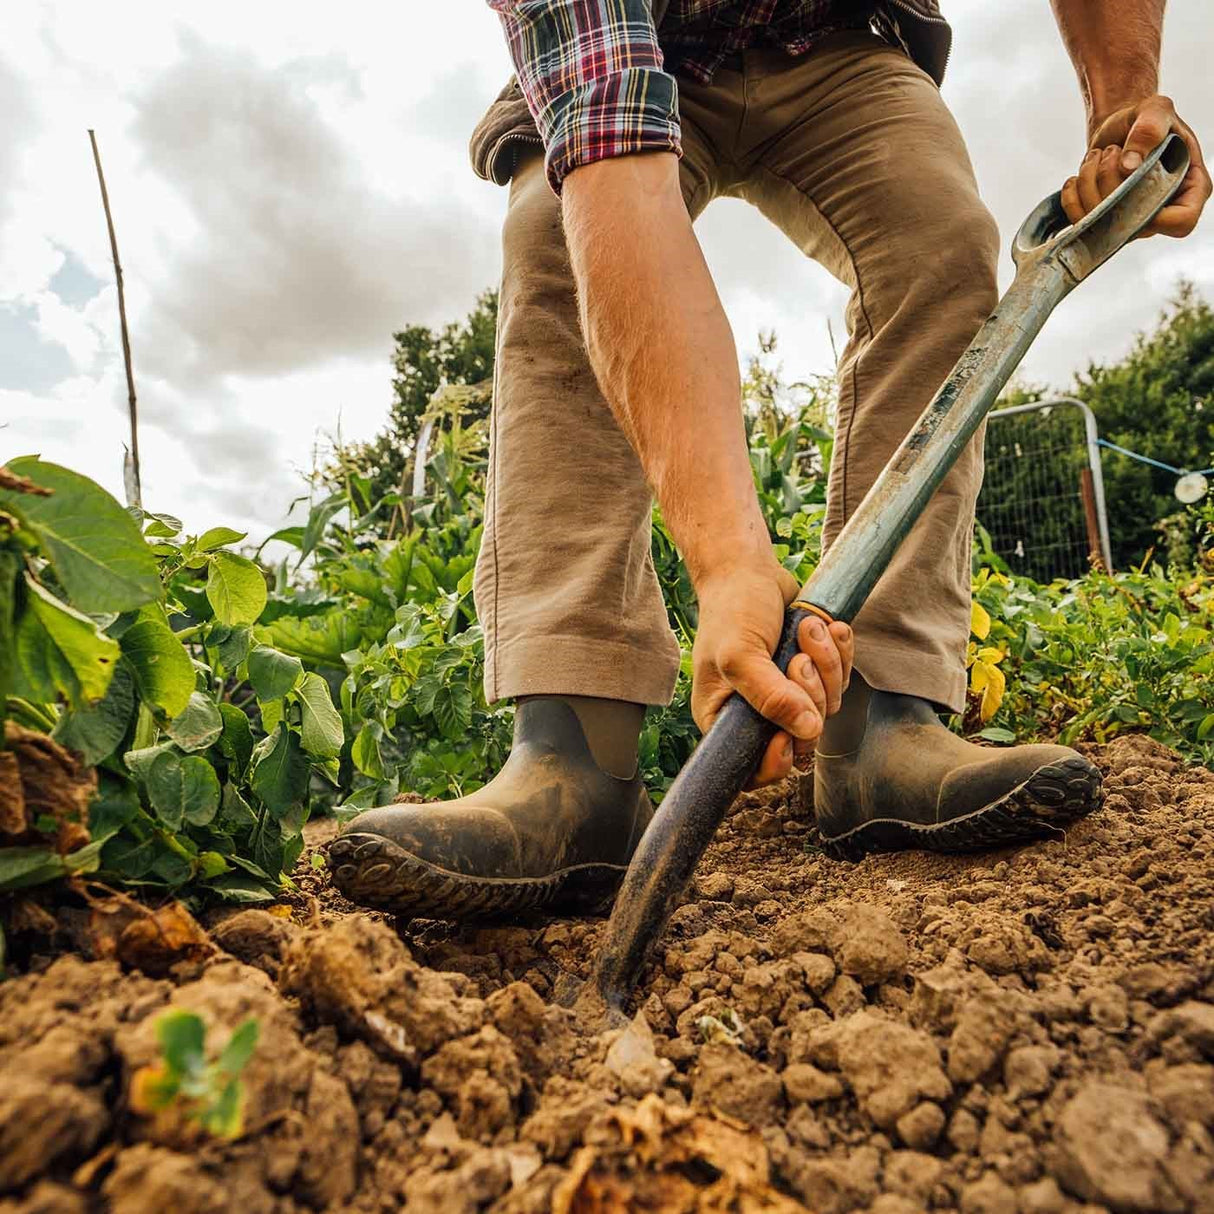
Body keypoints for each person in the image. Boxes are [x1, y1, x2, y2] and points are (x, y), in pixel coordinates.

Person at [329, 0, 1209, 917]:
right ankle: (574, 761)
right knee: (557, 239)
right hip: (641, 47)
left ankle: (885, 725)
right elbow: (613, 178)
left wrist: (1123, 107)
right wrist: (729, 565)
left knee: (938, 241)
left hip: (838, 33)